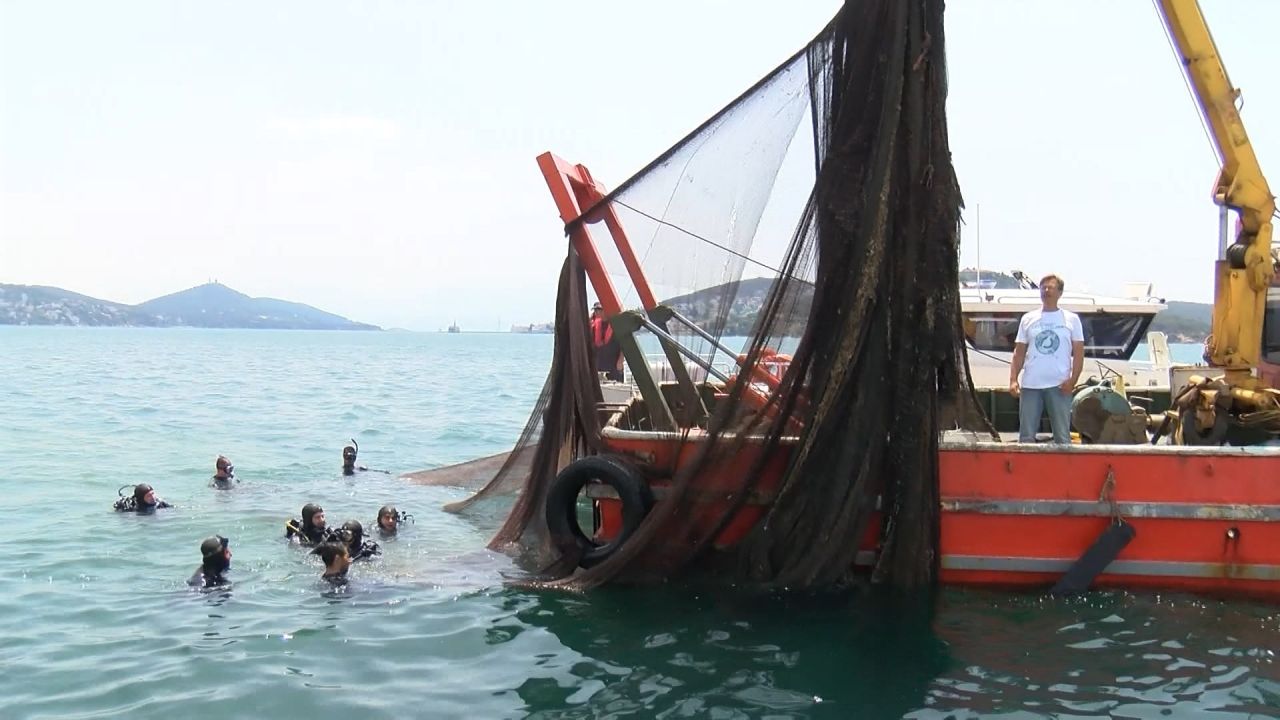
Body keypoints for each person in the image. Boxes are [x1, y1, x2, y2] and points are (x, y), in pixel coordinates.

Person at [1009, 274, 1085, 444]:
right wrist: (1013, 380)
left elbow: (1079, 353)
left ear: (1060, 292)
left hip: (1059, 386)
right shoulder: (1028, 319)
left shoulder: (1072, 319)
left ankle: (1064, 469)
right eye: (1043, 287)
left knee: (1062, 437)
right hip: (1031, 385)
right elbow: (1019, 352)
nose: (1046, 291)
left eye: (1051, 287)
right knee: (1026, 436)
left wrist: (1073, 380)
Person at [589, 301, 624, 382]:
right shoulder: (594, 325)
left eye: (599, 309)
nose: (597, 312)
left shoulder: (616, 324)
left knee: (616, 385)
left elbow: (624, 344)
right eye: (595, 310)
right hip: (599, 363)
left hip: (614, 363)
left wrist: (621, 360)